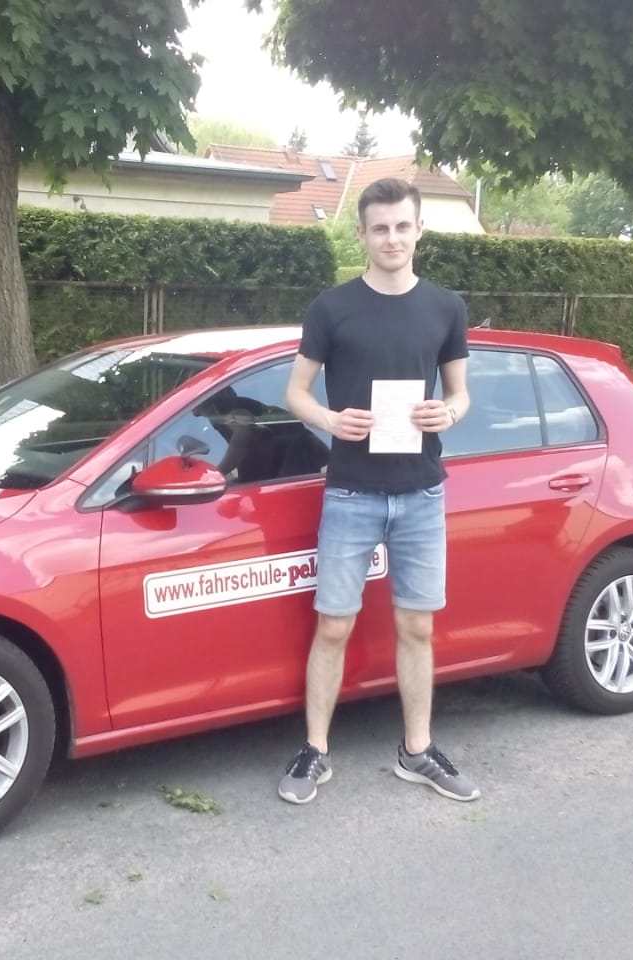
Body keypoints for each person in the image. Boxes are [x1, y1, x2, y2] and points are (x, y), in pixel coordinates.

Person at [278, 176, 479, 805]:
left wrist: (447, 414)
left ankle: (417, 751)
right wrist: (330, 420)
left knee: (416, 626)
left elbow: (461, 395)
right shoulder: (331, 308)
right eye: (380, 228)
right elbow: (295, 392)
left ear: (419, 230)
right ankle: (315, 751)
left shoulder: (445, 307)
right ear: (362, 234)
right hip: (351, 493)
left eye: (402, 227)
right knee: (334, 626)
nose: (392, 238)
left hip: (421, 493)